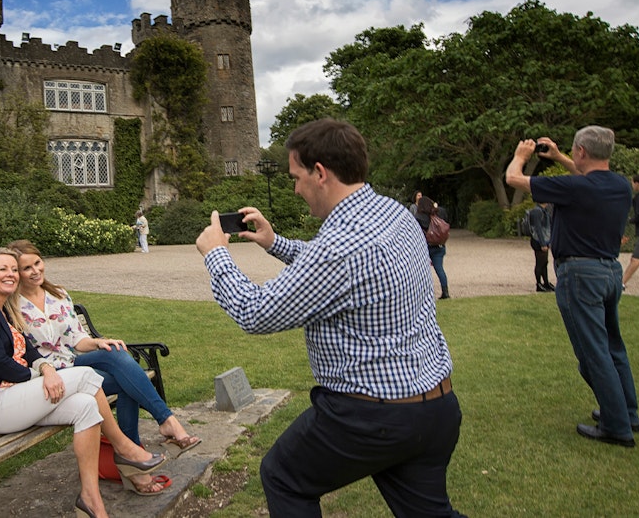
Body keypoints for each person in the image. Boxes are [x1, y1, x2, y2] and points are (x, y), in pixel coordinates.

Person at [196, 118, 464, 517]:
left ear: (320, 173)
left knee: (283, 476)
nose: (295, 187)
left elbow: (256, 312)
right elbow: (347, 271)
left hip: (372, 417)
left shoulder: (340, 243)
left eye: (296, 176)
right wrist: (274, 243)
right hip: (435, 408)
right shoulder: (393, 213)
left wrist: (216, 254)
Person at [0, 248, 166, 507]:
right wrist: (42, 375)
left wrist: (46, 370)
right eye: (3, 269)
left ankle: (91, 499)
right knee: (86, 376)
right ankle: (124, 447)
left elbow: (28, 350)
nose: (10, 274)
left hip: (17, 400)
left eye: (13, 269)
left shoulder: (4, 310)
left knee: (86, 406)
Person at [505, 127, 639, 447]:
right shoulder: (620, 185)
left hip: (579, 274)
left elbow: (514, 179)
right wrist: (559, 156)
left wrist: (520, 157)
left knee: (593, 354)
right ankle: (628, 413)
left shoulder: (573, 187)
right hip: (610, 272)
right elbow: (586, 176)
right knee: (613, 348)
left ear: (581, 151)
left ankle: (616, 425)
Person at [9, 238, 199, 459]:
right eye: (26, 268)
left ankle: (163, 424)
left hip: (71, 360)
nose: (35, 271)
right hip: (49, 374)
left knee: (116, 353)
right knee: (126, 382)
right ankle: (135, 449)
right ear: (17, 272)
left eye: (38, 263)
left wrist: (99, 342)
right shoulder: (12, 304)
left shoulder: (58, 294)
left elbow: (77, 339)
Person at [414, 195, 451, 299]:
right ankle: (445, 291)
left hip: (426, 247)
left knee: (422, 270)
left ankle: (423, 293)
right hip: (439, 246)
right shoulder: (439, 213)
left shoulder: (419, 217)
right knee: (440, 269)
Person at [526, 202, 555, 291]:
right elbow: (538, 229)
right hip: (538, 241)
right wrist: (543, 243)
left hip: (544, 240)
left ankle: (546, 282)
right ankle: (538, 284)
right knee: (540, 263)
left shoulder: (544, 211)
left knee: (544, 262)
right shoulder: (537, 211)